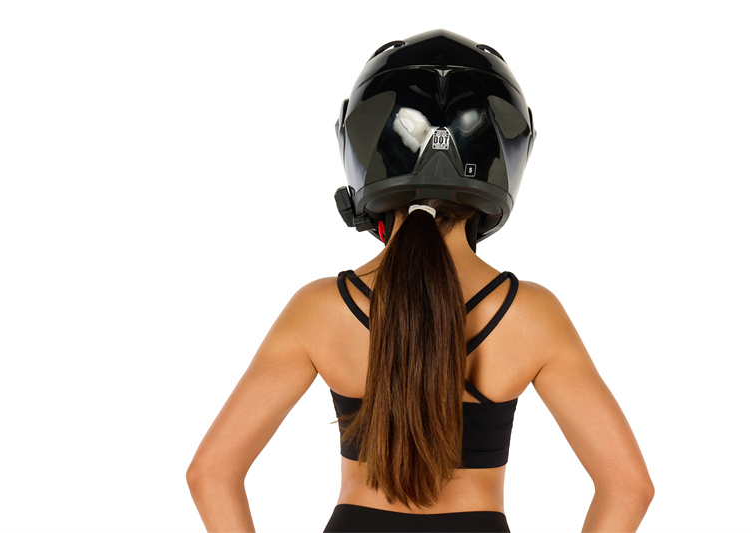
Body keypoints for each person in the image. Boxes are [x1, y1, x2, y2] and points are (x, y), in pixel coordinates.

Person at [186, 29, 654, 533]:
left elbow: (211, 473)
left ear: (364, 151)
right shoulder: (529, 314)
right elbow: (629, 487)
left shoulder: (321, 309)